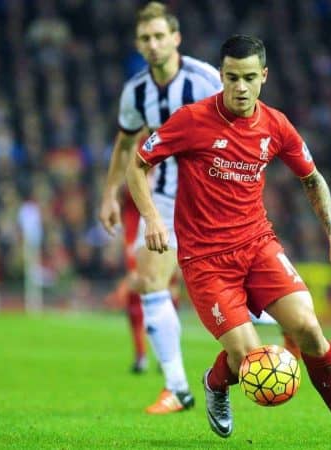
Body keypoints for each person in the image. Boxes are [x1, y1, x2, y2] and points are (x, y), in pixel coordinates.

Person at [127, 34, 331, 444]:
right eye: (231, 77)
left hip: (258, 246)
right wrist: (152, 216)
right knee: (249, 359)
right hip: (206, 260)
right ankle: (215, 382)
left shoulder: (276, 124)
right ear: (221, 76)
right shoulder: (191, 120)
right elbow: (138, 166)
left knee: (309, 329)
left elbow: (312, 179)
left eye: (248, 77)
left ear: (263, 76)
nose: (239, 87)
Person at [99, 1, 222, 414]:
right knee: (151, 280)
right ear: (138, 43)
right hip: (166, 198)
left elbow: (245, 129)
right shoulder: (136, 91)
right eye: (145, 38)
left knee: (233, 288)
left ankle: (285, 329)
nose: (152, 44)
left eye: (159, 36)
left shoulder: (206, 81)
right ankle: (177, 387)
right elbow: (126, 142)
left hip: (216, 199)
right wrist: (110, 194)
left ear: (176, 38)